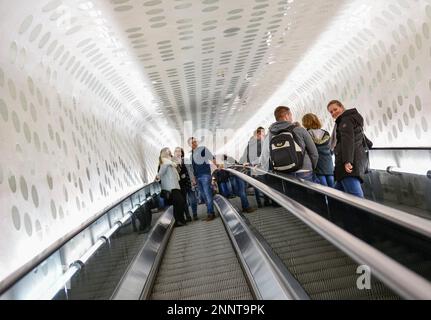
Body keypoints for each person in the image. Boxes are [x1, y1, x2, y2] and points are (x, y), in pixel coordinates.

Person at [259, 106, 319, 182]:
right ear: (286, 116)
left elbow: (264, 157)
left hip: (283, 173)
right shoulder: (299, 130)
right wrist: (310, 167)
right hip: (304, 171)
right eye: (290, 115)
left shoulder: (269, 135)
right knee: (310, 193)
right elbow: (314, 153)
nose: (291, 118)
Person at [327, 100, 372, 198]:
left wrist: (347, 161)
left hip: (348, 164)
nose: (334, 113)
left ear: (342, 107)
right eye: (331, 112)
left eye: (335, 109)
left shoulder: (345, 120)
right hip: (354, 160)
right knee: (334, 196)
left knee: (356, 197)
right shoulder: (351, 119)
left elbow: (348, 141)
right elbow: (360, 138)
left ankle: (363, 213)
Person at [239, 127, 272, 207]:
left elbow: (246, 156)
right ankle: (266, 201)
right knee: (264, 185)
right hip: (261, 167)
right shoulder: (260, 143)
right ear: (258, 134)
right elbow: (263, 156)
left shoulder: (250, 144)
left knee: (256, 186)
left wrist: (248, 164)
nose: (264, 135)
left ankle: (259, 203)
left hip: (253, 168)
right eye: (262, 134)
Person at [302, 113, 335, 187]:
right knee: (333, 189)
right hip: (328, 164)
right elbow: (331, 149)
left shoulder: (306, 134)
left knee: (324, 190)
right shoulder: (326, 133)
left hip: (317, 165)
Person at [188, 137, 216, 221]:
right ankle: (211, 212)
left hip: (205, 175)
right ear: (189, 145)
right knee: (204, 196)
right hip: (198, 177)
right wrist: (194, 179)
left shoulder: (203, 149)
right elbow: (192, 168)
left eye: (195, 142)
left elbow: (212, 158)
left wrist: (218, 166)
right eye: (192, 143)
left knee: (207, 194)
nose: (194, 143)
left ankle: (210, 213)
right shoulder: (191, 155)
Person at [157, 148, 186, 226]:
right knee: (179, 202)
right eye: (168, 152)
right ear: (164, 153)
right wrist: (157, 177)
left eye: (170, 152)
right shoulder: (165, 162)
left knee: (178, 203)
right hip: (171, 187)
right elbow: (161, 172)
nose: (170, 153)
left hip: (175, 185)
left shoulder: (170, 162)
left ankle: (180, 220)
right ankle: (178, 220)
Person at [174, 147, 198, 221]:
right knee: (184, 201)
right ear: (174, 153)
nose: (178, 153)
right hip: (180, 184)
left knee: (193, 199)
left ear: (182, 153)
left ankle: (194, 214)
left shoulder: (186, 160)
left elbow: (191, 170)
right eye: (176, 151)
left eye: (179, 151)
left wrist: (193, 179)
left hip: (189, 181)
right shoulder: (173, 162)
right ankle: (188, 216)